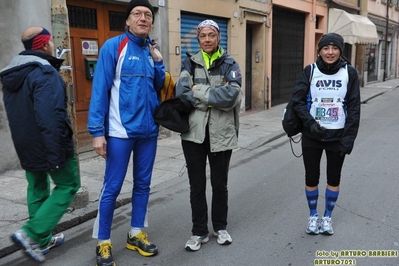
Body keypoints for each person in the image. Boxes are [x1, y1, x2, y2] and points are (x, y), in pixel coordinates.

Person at [87, 0, 165, 265]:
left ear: (152, 22)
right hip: (120, 131)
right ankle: (104, 242)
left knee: (143, 185)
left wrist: (159, 61)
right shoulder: (114, 46)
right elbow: (100, 90)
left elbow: (159, 86)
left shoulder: (149, 51)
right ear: (128, 21)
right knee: (112, 187)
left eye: (148, 14)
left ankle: (135, 234)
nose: (143, 18)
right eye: (137, 14)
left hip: (148, 132)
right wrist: (97, 132)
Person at [0, 26, 80, 263]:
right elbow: (51, 115)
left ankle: (42, 242)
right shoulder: (44, 72)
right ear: (44, 45)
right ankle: (31, 232)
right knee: (68, 185)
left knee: (37, 187)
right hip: (50, 143)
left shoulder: (13, 74)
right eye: (51, 43)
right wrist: (56, 153)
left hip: (25, 144)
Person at [175, 19, 242, 251]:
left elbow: (231, 97)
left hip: (222, 133)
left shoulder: (230, 63)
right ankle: (199, 231)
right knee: (197, 185)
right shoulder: (189, 62)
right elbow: (182, 94)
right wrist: (213, 98)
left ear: (218, 37)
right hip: (194, 134)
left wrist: (199, 91)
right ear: (198, 38)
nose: (207, 40)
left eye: (211, 35)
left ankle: (220, 227)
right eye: (202, 35)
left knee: (220, 184)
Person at [291, 33, 360, 235]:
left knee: (334, 178)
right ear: (319, 51)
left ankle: (327, 217)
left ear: (341, 51)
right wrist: (310, 124)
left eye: (335, 48)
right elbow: (297, 101)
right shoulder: (310, 71)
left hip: (337, 137)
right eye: (326, 48)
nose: (330, 52)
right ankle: (313, 216)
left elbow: (354, 109)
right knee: (311, 177)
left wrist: (348, 139)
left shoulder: (350, 73)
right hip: (312, 136)